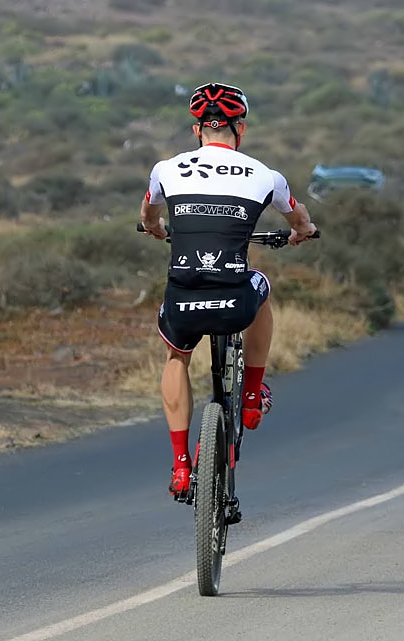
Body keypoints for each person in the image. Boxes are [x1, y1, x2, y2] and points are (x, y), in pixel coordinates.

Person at [139, 82, 317, 498]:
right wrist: (301, 233)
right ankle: (252, 395)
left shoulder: (166, 169)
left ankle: (181, 466)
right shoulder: (265, 175)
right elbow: (299, 217)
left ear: (198, 131)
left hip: (182, 300)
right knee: (261, 287)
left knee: (176, 357)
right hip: (234, 301)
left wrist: (157, 229)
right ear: (241, 130)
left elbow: (148, 214)